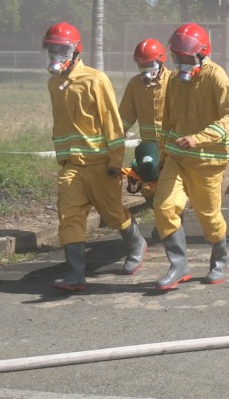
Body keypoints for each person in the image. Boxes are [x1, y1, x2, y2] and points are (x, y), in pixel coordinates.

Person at [42, 22, 147, 292]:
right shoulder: (54, 83)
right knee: (69, 216)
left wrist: (115, 161)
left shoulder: (95, 80)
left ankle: (137, 244)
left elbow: (111, 122)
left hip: (101, 165)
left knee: (112, 214)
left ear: (76, 50)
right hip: (71, 167)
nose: (57, 55)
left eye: (62, 49)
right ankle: (76, 273)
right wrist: (64, 159)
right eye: (53, 49)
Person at [151, 23, 229, 290]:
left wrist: (198, 138)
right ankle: (179, 266)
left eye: (186, 58)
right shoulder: (174, 81)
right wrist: (163, 155)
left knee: (209, 218)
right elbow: (167, 120)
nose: (181, 63)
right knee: (164, 208)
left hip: (207, 161)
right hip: (177, 158)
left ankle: (219, 259)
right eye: (177, 57)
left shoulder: (216, 77)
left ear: (202, 54)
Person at [118, 39, 170, 205]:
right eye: (141, 65)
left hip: (171, 143)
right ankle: (139, 167)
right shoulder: (135, 85)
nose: (145, 69)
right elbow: (124, 118)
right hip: (149, 145)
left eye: (149, 63)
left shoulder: (174, 82)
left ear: (160, 61)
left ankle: (171, 225)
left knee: (171, 185)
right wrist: (112, 142)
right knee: (150, 180)